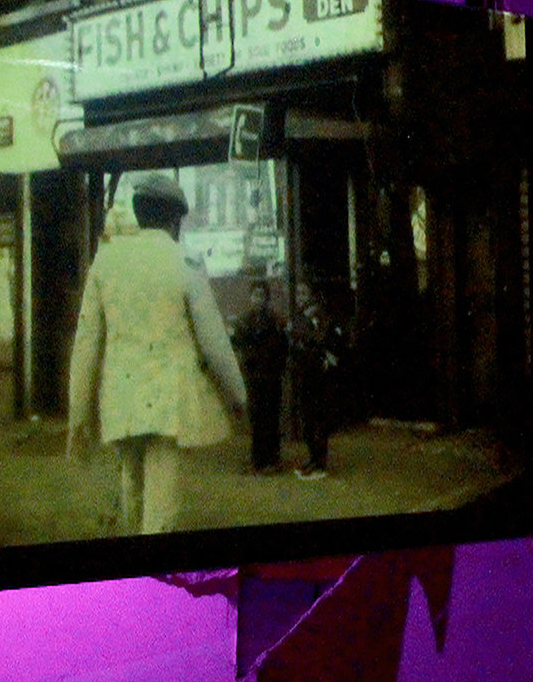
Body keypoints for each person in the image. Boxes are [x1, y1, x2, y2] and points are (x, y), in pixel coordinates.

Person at [67, 174, 246, 534]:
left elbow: (86, 342)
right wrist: (237, 395)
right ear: (174, 220)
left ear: (139, 214)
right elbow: (214, 343)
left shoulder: (105, 263)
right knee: (162, 503)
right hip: (168, 401)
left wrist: (78, 412)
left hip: (120, 396)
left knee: (130, 487)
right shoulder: (185, 266)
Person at [291, 281, 349, 479]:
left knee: (317, 418)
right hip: (303, 372)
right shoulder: (300, 315)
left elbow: (318, 340)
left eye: (304, 292)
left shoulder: (318, 316)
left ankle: (320, 461)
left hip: (316, 374)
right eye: (298, 292)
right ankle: (312, 457)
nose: (300, 296)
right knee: (307, 419)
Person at [231, 280, 289, 473]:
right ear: (251, 297)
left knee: (271, 418)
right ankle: (259, 459)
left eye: (261, 296)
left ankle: (271, 459)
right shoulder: (244, 322)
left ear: (266, 299)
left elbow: (282, 348)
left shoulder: (275, 321)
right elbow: (238, 345)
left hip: (270, 376)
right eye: (255, 295)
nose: (258, 300)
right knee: (257, 418)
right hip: (254, 377)